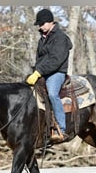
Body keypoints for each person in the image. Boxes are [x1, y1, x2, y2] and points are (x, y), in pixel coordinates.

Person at [26, 8, 73, 142]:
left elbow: (55, 60)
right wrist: (35, 71)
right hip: (42, 72)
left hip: (57, 72)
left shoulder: (60, 38)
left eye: (41, 24)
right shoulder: (43, 38)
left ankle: (62, 129)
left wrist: (38, 72)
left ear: (50, 22)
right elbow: (40, 58)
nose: (40, 27)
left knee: (52, 93)